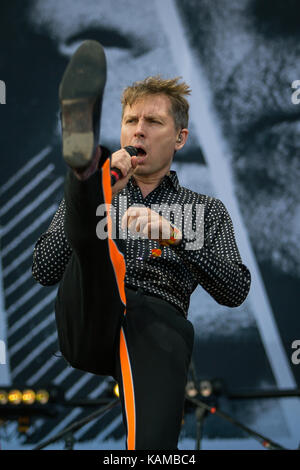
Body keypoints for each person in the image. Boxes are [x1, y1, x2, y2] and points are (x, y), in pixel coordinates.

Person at [32, 40, 251, 450]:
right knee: (95, 243)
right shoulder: (104, 191)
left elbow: (235, 290)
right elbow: (43, 270)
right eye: (131, 120)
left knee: (154, 447)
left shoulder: (202, 209)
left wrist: (177, 238)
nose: (138, 130)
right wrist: (103, 192)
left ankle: (84, 174)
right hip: (88, 313)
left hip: (155, 323)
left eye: (153, 121)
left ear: (180, 138)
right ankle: (83, 169)